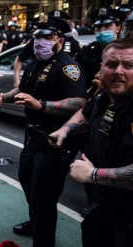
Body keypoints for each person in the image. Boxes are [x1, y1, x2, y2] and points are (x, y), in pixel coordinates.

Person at [0, 13, 88, 247]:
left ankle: (43, 241)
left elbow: (80, 103)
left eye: (47, 37)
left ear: (60, 41)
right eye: (37, 37)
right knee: (27, 180)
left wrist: (42, 105)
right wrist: (5, 97)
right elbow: (22, 90)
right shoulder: (35, 62)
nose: (40, 42)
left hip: (54, 141)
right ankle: (35, 222)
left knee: (43, 195)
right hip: (32, 136)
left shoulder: (68, 68)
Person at [49, 38, 133, 247]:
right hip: (113, 204)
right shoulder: (105, 96)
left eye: (129, 65)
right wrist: (64, 130)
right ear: (101, 68)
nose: (118, 71)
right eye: (112, 64)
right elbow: (85, 113)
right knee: (93, 231)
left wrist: (92, 175)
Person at [74, 7, 126, 216]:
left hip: (122, 115)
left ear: (118, 27)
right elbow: (80, 86)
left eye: (108, 26)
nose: (103, 30)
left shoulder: (127, 49)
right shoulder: (88, 51)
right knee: (91, 152)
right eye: (99, 27)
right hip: (95, 111)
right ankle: (95, 199)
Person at [13, 11, 80, 88]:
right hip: (37, 82)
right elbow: (20, 58)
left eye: (48, 37)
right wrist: (16, 81)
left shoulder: (72, 43)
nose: (42, 40)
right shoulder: (35, 42)